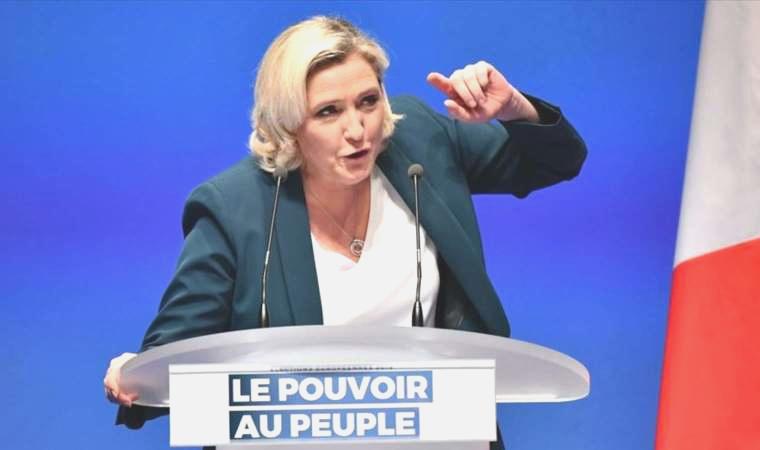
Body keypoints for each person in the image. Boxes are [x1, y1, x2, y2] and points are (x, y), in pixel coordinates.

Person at [103, 15, 587, 449]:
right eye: (328, 112)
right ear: (288, 124)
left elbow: (557, 161)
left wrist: (514, 108)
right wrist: (135, 374)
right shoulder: (235, 207)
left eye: (368, 101)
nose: (358, 130)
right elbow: (174, 352)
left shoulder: (420, 140)